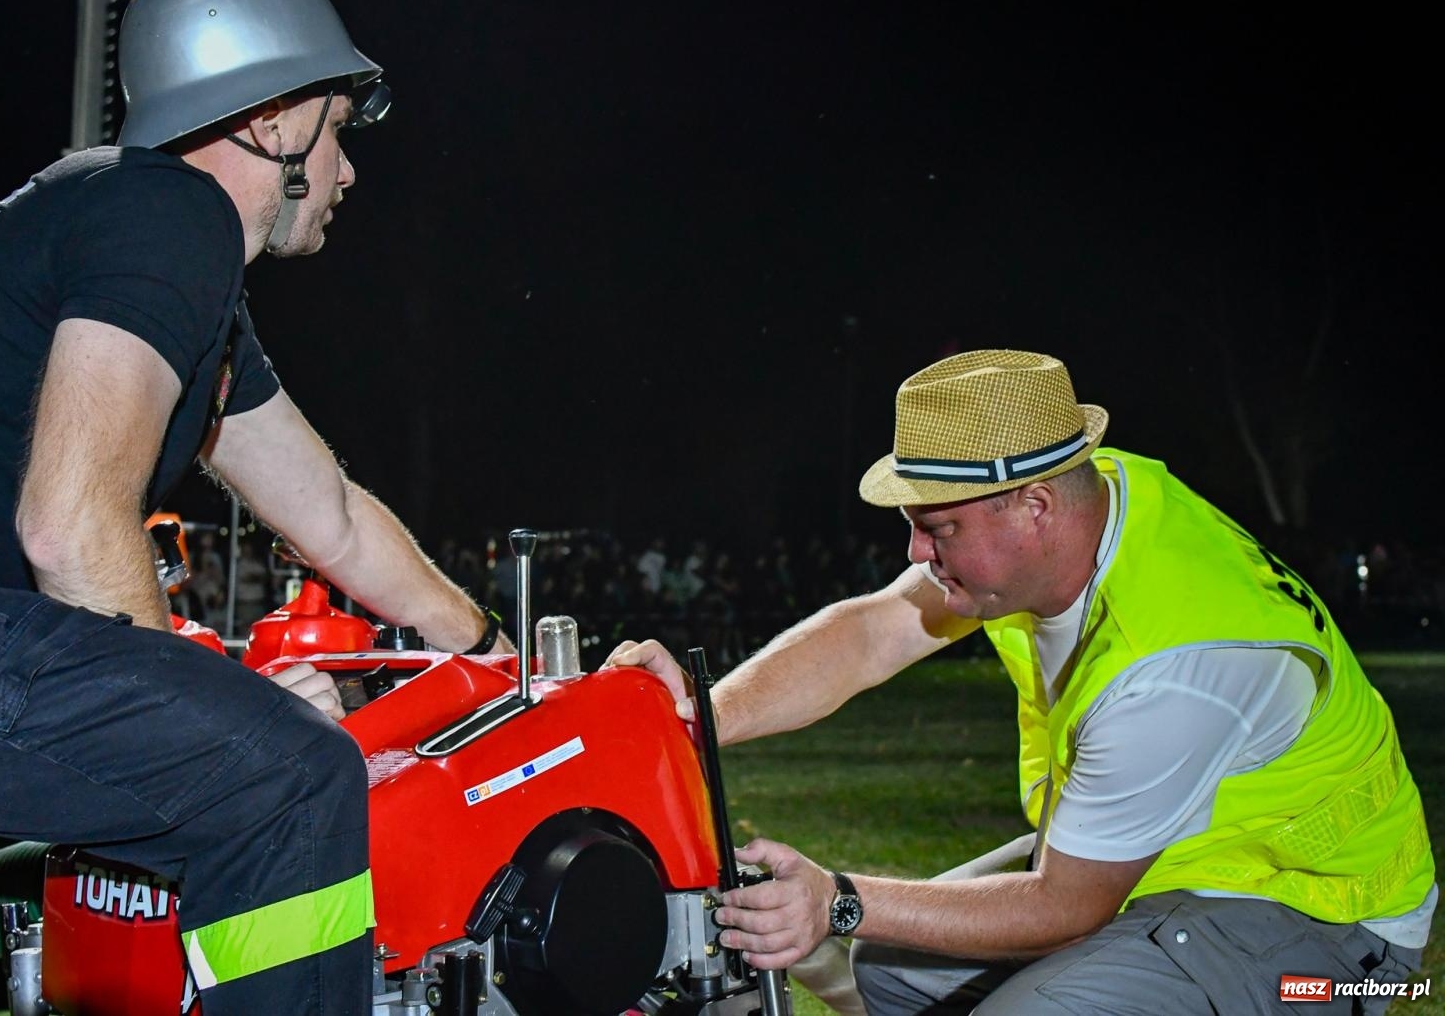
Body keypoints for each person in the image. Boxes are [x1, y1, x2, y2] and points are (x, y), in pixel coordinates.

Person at [0, 0, 509, 1013]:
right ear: (275, 120)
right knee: (284, 775)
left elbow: (329, 514)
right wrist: (211, 724)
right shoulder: (172, 217)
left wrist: (490, 650)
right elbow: (67, 523)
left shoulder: (164, 265)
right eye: (339, 129)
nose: (348, 171)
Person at [610, 349, 1436, 1014]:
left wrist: (838, 899)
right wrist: (694, 713)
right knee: (892, 969)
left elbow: (1063, 906)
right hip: (1190, 858)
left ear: (1035, 507)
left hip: (1333, 932)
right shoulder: (1090, 501)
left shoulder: (1179, 665)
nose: (914, 555)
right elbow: (875, 630)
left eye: (936, 529)